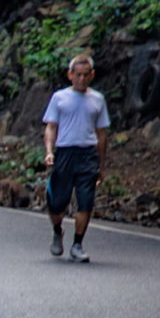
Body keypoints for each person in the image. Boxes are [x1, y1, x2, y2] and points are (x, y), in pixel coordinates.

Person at [43, 54, 109, 263]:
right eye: (77, 75)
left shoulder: (98, 99)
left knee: (85, 203)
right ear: (70, 75)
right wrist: (49, 151)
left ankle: (78, 244)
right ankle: (57, 230)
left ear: (92, 75)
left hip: (87, 154)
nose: (81, 79)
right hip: (65, 152)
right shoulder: (59, 98)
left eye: (85, 75)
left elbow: (101, 134)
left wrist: (101, 164)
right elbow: (51, 126)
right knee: (56, 204)